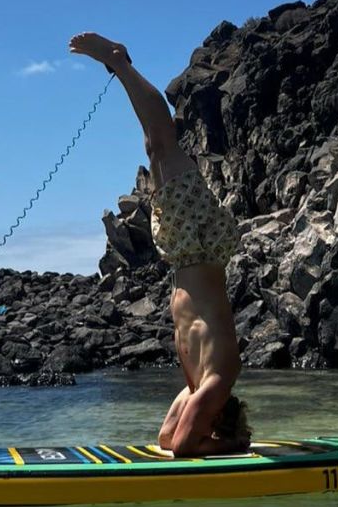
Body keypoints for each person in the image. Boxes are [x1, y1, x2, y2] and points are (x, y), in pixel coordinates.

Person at [69, 32, 251, 457]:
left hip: (185, 250)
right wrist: (230, 446)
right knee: (160, 143)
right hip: (201, 244)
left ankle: (121, 66)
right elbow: (188, 444)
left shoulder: (197, 386)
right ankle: (120, 62)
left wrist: (214, 437)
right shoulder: (220, 378)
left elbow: (170, 440)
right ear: (216, 418)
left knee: (156, 148)